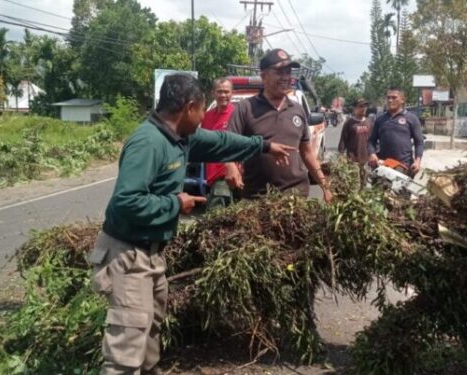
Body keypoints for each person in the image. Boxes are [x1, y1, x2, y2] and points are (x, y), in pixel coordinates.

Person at [88, 74, 294, 375]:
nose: (202, 118)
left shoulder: (180, 137)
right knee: (126, 352)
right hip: (127, 255)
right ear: (189, 107)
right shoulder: (148, 143)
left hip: (150, 254)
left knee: (149, 338)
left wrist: (263, 145)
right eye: (200, 111)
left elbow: (221, 141)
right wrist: (176, 204)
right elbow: (126, 201)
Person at [224, 48, 333, 202]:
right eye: (279, 72)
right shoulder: (246, 107)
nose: (285, 77)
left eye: (288, 72)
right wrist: (230, 166)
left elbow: (307, 153)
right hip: (257, 198)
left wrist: (325, 186)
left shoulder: (297, 109)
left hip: (296, 197)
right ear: (264, 76)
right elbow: (228, 142)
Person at [367, 88, 424, 176]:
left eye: (394, 97)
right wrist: (372, 154)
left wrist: (417, 161)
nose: (390, 100)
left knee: (401, 190)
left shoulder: (412, 118)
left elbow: (419, 142)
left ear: (402, 100)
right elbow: (371, 141)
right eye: (388, 97)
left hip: (404, 166)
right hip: (383, 165)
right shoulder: (380, 120)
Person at [200, 77, 235, 187]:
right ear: (213, 93)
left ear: (232, 93)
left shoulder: (238, 115)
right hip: (211, 175)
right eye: (219, 92)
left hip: (231, 174)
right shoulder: (207, 116)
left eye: (226, 92)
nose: (223, 95)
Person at [338, 98, 373, 164]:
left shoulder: (370, 122)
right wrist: (340, 155)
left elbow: (373, 140)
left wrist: (373, 154)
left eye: (365, 106)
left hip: (367, 160)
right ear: (354, 108)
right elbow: (343, 141)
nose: (364, 108)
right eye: (360, 106)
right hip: (353, 160)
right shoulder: (349, 123)